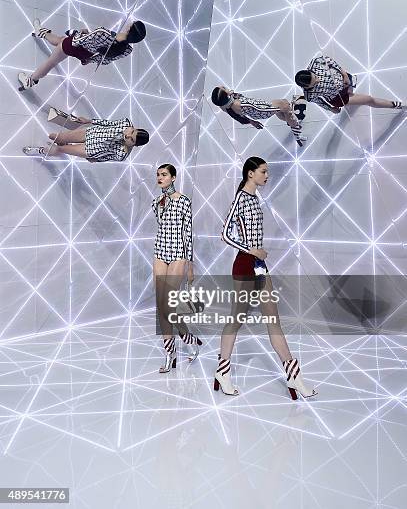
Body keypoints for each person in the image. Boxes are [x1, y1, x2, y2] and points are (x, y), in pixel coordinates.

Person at [214, 156, 317, 400]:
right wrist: (252, 250)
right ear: (250, 173)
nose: (266, 176)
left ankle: (294, 376)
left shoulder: (255, 199)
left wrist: (257, 254)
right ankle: (222, 371)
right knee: (235, 320)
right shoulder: (240, 198)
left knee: (274, 321)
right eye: (263, 171)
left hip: (259, 266)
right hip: (244, 264)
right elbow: (225, 234)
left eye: (266, 172)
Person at [152, 164, 202, 373]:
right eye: (158, 175)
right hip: (160, 252)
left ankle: (187, 338)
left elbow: (187, 233)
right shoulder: (156, 202)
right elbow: (161, 226)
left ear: (173, 177)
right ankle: (170, 353)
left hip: (178, 254)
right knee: (161, 306)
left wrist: (189, 264)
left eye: (164, 175)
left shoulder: (183, 201)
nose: (160, 178)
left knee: (169, 305)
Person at [18, 18, 146, 90]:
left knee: (51, 61)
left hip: (75, 46)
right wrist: (89, 60)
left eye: (131, 23)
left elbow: (78, 40)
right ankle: (40, 31)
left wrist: (75, 33)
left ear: (129, 29)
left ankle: (30, 80)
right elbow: (105, 60)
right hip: (86, 55)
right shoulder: (127, 50)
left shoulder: (103, 33)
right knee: (59, 40)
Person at [295, 54, 407, 114]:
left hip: (345, 81)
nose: (318, 80)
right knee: (368, 99)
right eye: (314, 83)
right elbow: (320, 103)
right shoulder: (309, 95)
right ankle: (398, 105)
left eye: (315, 77)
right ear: (306, 87)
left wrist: (344, 74)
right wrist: (331, 109)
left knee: (353, 90)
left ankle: (351, 88)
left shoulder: (316, 63)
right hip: (339, 97)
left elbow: (331, 61)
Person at [22, 113, 149, 161]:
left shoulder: (123, 154)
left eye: (131, 139)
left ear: (134, 145)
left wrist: (94, 160)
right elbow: (107, 122)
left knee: (61, 149)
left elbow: (106, 157)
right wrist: (88, 120)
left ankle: (42, 151)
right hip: (91, 132)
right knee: (57, 137)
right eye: (132, 131)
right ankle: (58, 146)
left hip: (91, 150)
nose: (127, 134)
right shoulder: (126, 122)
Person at [211, 86, 307, 146]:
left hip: (261, 110)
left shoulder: (226, 107)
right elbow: (260, 109)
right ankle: (297, 134)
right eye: (224, 88)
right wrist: (276, 108)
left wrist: (252, 122)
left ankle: (293, 125)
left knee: (284, 110)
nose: (225, 87)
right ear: (226, 96)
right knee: (287, 110)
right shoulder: (239, 104)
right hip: (265, 109)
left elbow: (240, 117)